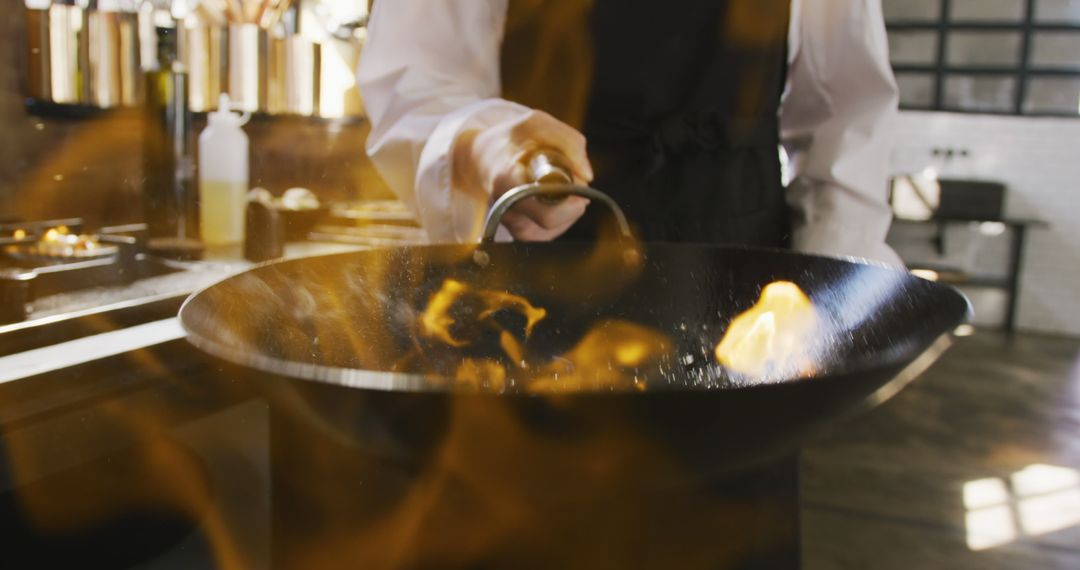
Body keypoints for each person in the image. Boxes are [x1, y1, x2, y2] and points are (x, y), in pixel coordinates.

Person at [358, 0, 902, 262]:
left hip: (751, 282)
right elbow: (415, 85)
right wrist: (479, 141)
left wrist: (830, 291)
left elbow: (847, 110)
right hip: (542, 269)